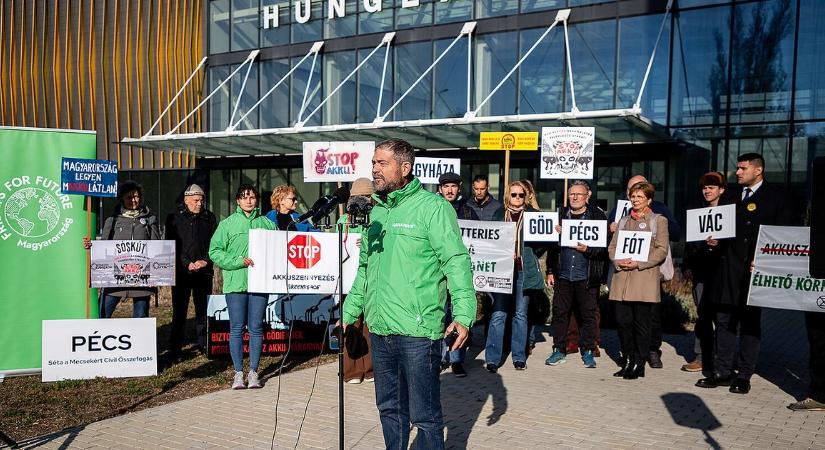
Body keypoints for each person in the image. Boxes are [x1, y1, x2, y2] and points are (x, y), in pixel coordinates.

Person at [342, 139, 476, 450]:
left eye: (382, 163)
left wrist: (464, 314)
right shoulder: (374, 212)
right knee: (389, 409)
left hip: (418, 332)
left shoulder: (433, 208)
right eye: (374, 163)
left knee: (424, 416)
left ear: (405, 168)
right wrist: (349, 314)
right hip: (380, 328)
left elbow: (455, 262)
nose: (375, 169)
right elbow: (365, 269)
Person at [697, 153, 790, 394]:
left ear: (758, 170)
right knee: (725, 321)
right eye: (737, 168)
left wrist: (767, 260)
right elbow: (723, 227)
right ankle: (723, 372)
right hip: (727, 270)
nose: (737, 172)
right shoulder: (731, 196)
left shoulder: (775, 197)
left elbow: (782, 235)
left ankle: (745, 374)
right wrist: (714, 242)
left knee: (749, 324)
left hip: (753, 270)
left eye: (743, 168)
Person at [608, 174, 681, 368]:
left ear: (648, 199)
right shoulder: (623, 221)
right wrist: (617, 260)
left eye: (639, 197)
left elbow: (662, 250)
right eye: (633, 196)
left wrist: (639, 264)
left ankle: (639, 363)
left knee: (642, 324)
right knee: (623, 322)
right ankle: (628, 359)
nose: (635, 200)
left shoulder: (659, 220)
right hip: (622, 278)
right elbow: (612, 247)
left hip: (644, 279)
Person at [208, 184, 276, 390]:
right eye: (245, 197)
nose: (249, 201)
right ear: (237, 200)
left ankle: (254, 372)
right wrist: (237, 261)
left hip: (260, 283)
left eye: (252, 197)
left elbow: (277, 248)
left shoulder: (267, 223)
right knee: (236, 328)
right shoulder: (227, 224)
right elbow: (215, 251)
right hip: (235, 283)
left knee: (256, 328)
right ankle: (238, 373)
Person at [544, 180, 609, 369]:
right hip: (563, 274)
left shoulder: (597, 216)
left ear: (587, 196)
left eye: (578, 194)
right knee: (559, 313)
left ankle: (588, 350)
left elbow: (603, 249)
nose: (574, 197)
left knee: (588, 315)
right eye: (571, 194)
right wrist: (550, 270)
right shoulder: (561, 215)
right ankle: (559, 349)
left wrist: (587, 249)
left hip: (586, 275)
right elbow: (552, 248)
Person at [484, 180, 546, 372]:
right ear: (507, 196)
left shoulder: (533, 216)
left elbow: (542, 247)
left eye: (521, 195)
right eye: (514, 194)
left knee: (520, 315)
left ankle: (519, 357)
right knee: (498, 314)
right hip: (502, 271)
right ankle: (493, 358)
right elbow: (490, 243)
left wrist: (550, 235)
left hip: (522, 271)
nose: (517, 198)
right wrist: (503, 252)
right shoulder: (498, 215)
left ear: (526, 196)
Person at [83, 180, 160, 318]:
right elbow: (103, 246)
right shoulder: (112, 219)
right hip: (114, 277)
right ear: (122, 199)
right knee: (102, 314)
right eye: (129, 197)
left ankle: (139, 339)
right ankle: (100, 337)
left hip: (141, 278)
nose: (133, 200)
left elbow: (156, 246)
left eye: (136, 196)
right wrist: (91, 245)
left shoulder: (150, 219)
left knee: (141, 316)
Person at [681, 172, 728, 374]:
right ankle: (701, 356)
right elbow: (689, 245)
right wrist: (687, 266)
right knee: (703, 316)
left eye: (711, 187)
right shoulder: (697, 214)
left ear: (721, 190)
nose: (707, 191)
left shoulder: (729, 214)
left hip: (723, 273)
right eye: (704, 188)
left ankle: (722, 358)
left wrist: (719, 244)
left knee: (723, 318)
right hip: (701, 272)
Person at [165, 184, 217, 359]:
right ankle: (175, 348)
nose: (199, 203)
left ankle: (204, 344)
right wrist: (187, 263)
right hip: (182, 272)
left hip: (203, 272)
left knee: (203, 311)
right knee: (180, 311)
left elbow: (214, 244)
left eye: (202, 200)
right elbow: (171, 245)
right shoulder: (174, 218)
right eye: (196, 200)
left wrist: (205, 261)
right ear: (186, 200)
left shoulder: (209, 218)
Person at [437, 172, 478, 377]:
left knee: (458, 316)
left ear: (459, 189)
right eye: (446, 187)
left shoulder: (469, 212)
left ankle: (457, 360)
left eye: (453, 186)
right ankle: (440, 357)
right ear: (440, 189)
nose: (450, 190)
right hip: (438, 275)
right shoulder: (434, 210)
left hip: (459, 274)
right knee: (439, 317)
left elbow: (482, 241)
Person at [340, 177, 374, 385]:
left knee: (369, 327)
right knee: (351, 325)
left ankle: (369, 368)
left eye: (367, 196)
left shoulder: (376, 219)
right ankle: (351, 371)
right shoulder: (343, 222)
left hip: (369, 280)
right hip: (348, 281)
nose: (362, 200)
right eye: (358, 196)